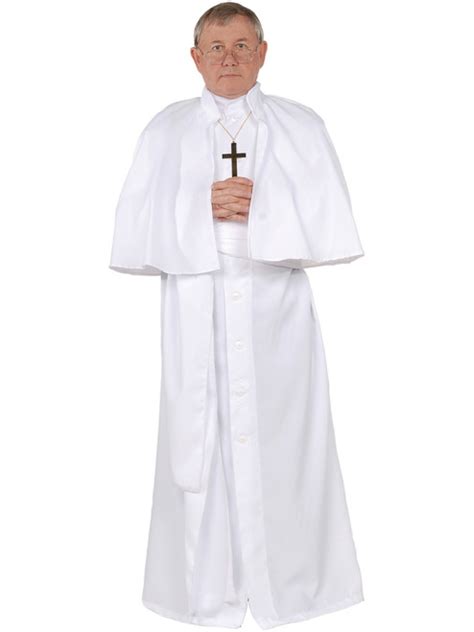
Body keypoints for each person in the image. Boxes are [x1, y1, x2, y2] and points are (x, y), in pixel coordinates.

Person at [109, 2, 365, 629]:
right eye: (217, 47)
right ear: (195, 57)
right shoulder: (165, 129)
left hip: (276, 304)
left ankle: (293, 587)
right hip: (195, 301)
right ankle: (206, 591)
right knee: (198, 438)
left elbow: (331, 222)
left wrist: (261, 205)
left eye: (242, 45)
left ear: (263, 53)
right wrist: (202, 207)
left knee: (287, 438)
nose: (230, 58)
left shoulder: (301, 125)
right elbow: (136, 229)